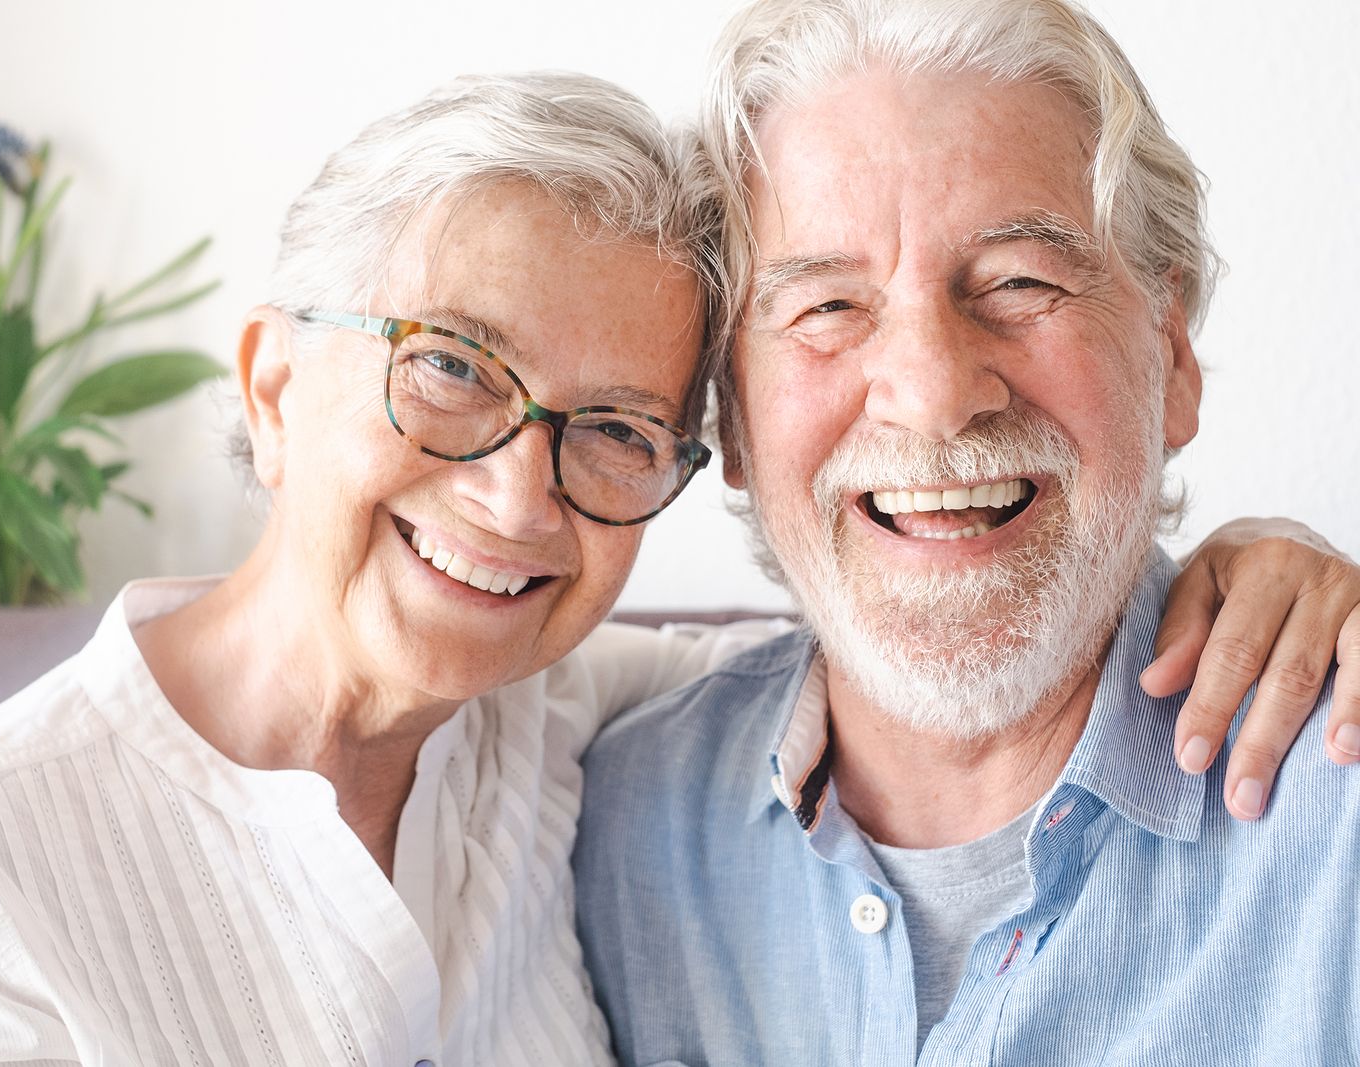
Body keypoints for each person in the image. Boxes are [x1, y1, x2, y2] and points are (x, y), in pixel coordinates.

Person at [0, 67, 1358, 1067]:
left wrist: (1278, 566)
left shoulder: (571, 729)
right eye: (451, 367)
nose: (516, 496)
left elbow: (898, 651)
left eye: (612, 426)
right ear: (270, 384)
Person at [573, 1, 1360, 1064]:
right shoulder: (602, 823)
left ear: (1170, 360)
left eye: (1019, 283)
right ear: (733, 417)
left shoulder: (1340, 806)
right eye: (827, 307)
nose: (934, 394)